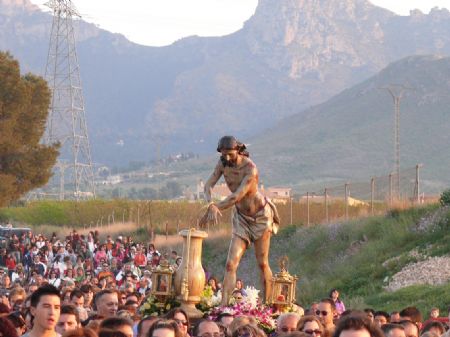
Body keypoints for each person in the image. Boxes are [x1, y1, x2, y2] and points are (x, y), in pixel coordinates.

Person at [200, 135, 280, 304]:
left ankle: (268, 303)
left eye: (230, 154)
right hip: (241, 218)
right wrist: (210, 205)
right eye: (223, 154)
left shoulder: (250, 169)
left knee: (262, 263)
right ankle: (224, 305)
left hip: (260, 217)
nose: (227, 158)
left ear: (238, 150)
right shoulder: (222, 163)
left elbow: (236, 196)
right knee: (230, 263)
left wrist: (216, 207)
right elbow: (208, 186)